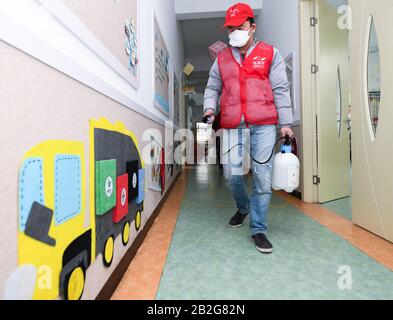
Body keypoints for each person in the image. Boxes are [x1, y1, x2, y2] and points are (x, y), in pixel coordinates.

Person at [203, 3, 294, 254]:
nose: (234, 32)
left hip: (264, 124)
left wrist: (285, 123)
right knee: (232, 175)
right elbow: (212, 88)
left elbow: (280, 90)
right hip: (233, 123)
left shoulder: (269, 53)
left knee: (262, 178)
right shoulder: (221, 59)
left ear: (252, 27)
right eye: (230, 28)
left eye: (239, 27)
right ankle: (243, 207)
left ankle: (258, 229)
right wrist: (210, 108)